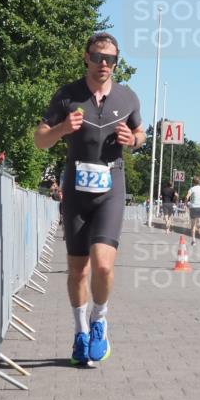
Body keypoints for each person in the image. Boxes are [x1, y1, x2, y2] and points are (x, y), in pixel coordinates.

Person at [33, 33, 145, 367]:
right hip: (77, 189)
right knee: (77, 270)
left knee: (103, 264)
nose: (104, 64)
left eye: (111, 59)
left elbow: (140, 134)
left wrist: (134, 140)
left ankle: (100, 319)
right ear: (86, 57)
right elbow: (40, 140)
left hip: (111, 186)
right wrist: (62, 129)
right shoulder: (68, 96)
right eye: (98, 57)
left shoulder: (127, 98)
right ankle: (81, 332)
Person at [185, 176, 200, 245]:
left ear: (193, 182)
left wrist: (186, 203)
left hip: (193, 207)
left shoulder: (191, 189)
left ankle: (193, 240)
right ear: (199, 182)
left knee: (193, 225)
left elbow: (187, 197)